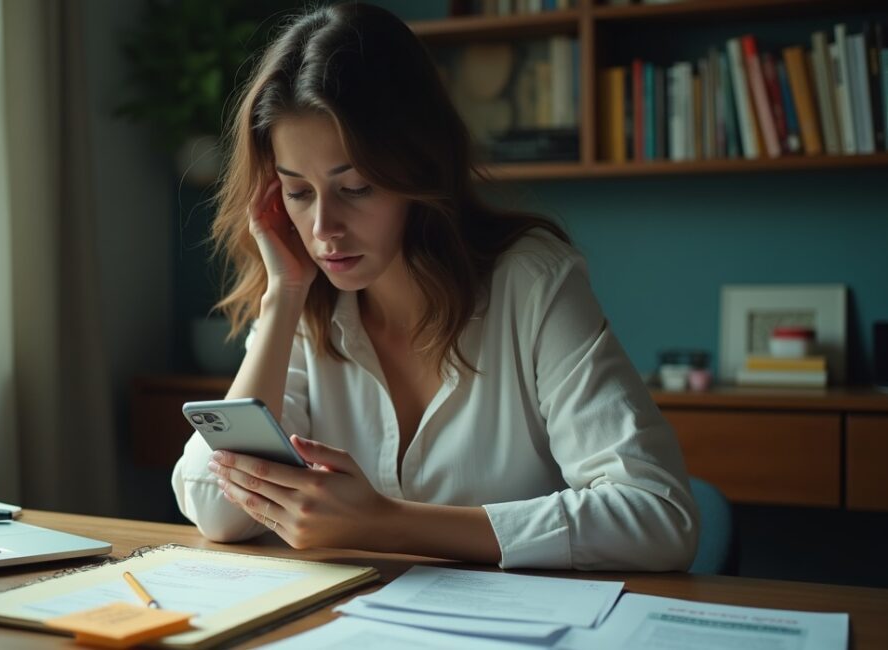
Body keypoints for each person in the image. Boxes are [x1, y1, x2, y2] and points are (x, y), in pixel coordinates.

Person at [170, 2, 699, 571]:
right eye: (299, 193)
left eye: (357, 186)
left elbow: (659, 517)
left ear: (419, 169)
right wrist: (281, 300)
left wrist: (388, 523)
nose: (324, 230)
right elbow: (216, 509)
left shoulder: (533, 283)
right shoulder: (305, 304)